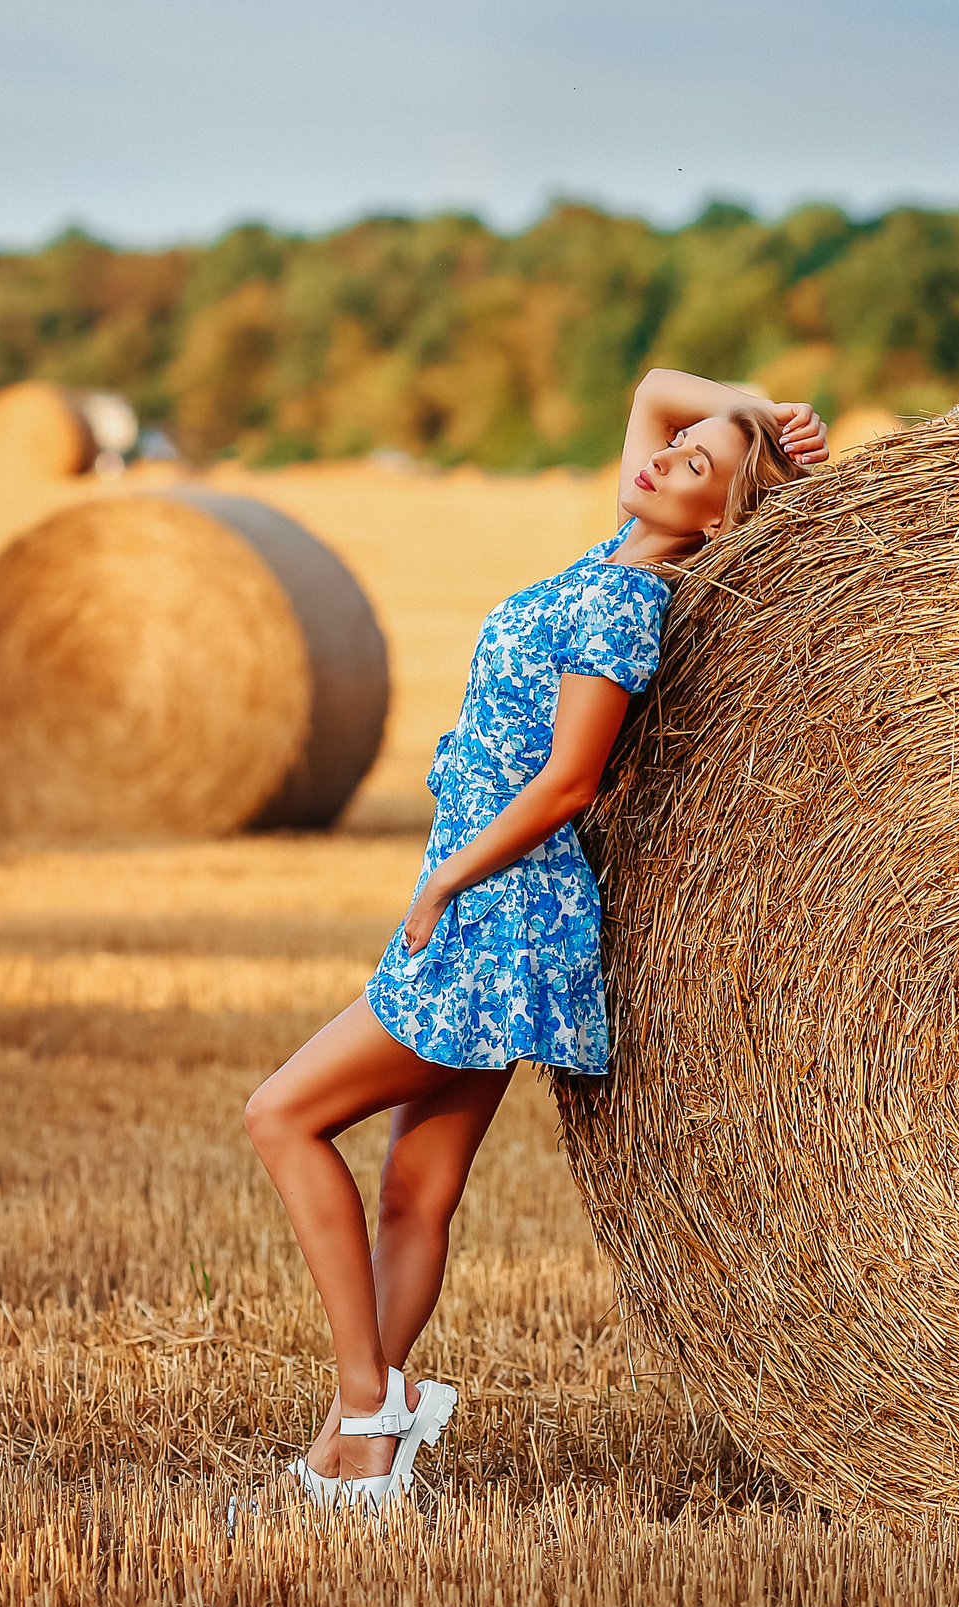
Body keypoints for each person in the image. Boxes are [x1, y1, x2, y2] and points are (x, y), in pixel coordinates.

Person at [243, 370, 828, 1509]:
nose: (660, 457)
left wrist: (445, 881)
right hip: (501, 911)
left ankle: (367, 1400)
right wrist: (756, 407)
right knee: (415, 1191)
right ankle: (351, 1467)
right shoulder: (616, 549)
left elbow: (569, 783)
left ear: (717, 522)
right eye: (672, 449)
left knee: (282, 1114)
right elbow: (656, 388)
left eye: (695, 466)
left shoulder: (625, 602)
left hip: (499, 916)